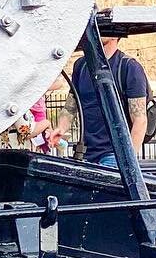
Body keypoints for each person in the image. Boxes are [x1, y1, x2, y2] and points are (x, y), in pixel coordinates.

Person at [58, 32, 149, 169]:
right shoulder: (80, 65)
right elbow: (70, 108)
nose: (96, 30)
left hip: (114, 155)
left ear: (115, 34)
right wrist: (60, 130)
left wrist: (127, 161)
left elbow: (140, 120)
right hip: (85, 154)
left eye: (103, 27)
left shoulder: (129, 67)